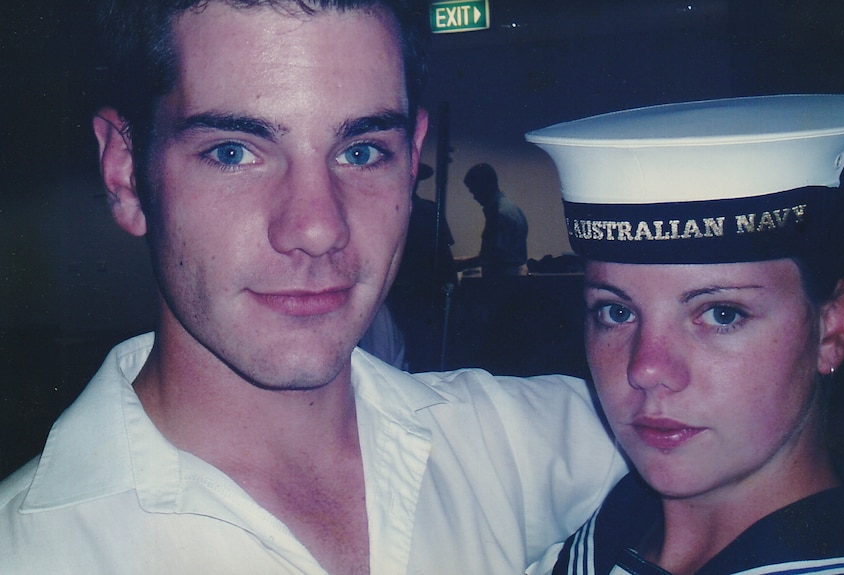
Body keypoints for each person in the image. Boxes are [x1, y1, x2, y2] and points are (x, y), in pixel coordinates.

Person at [0, 1, 626, 573]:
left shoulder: (519, 450)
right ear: (126, 174)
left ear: (412, 161)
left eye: (361, 152)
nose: (317, 228)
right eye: (231, 153)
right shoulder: (35, 549)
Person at [525, 94, 844, 575]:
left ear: (832, 329)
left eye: (721, 314)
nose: (646, 369)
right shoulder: (595, 538)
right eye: (616, 312)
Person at [386, 162, 457, 371]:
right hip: (406, 292)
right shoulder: (422, 210)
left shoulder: (426, 210)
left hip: (417, 292)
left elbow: (443, 254)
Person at [456, 163, 528, 278]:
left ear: (484, 186)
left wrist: (462, 263)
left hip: (502, 280)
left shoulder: (500, 213)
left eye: (474, 191)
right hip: (509, 276)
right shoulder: (510, 208)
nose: (474, 197)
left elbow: (496, 256)